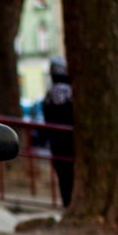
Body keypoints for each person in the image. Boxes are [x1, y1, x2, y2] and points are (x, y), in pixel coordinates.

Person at [41, 57, 75, 207]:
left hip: (56, 143)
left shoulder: (49, 95)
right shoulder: (70, 93)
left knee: (63, 175)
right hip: (70, 142)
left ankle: (67, 202)